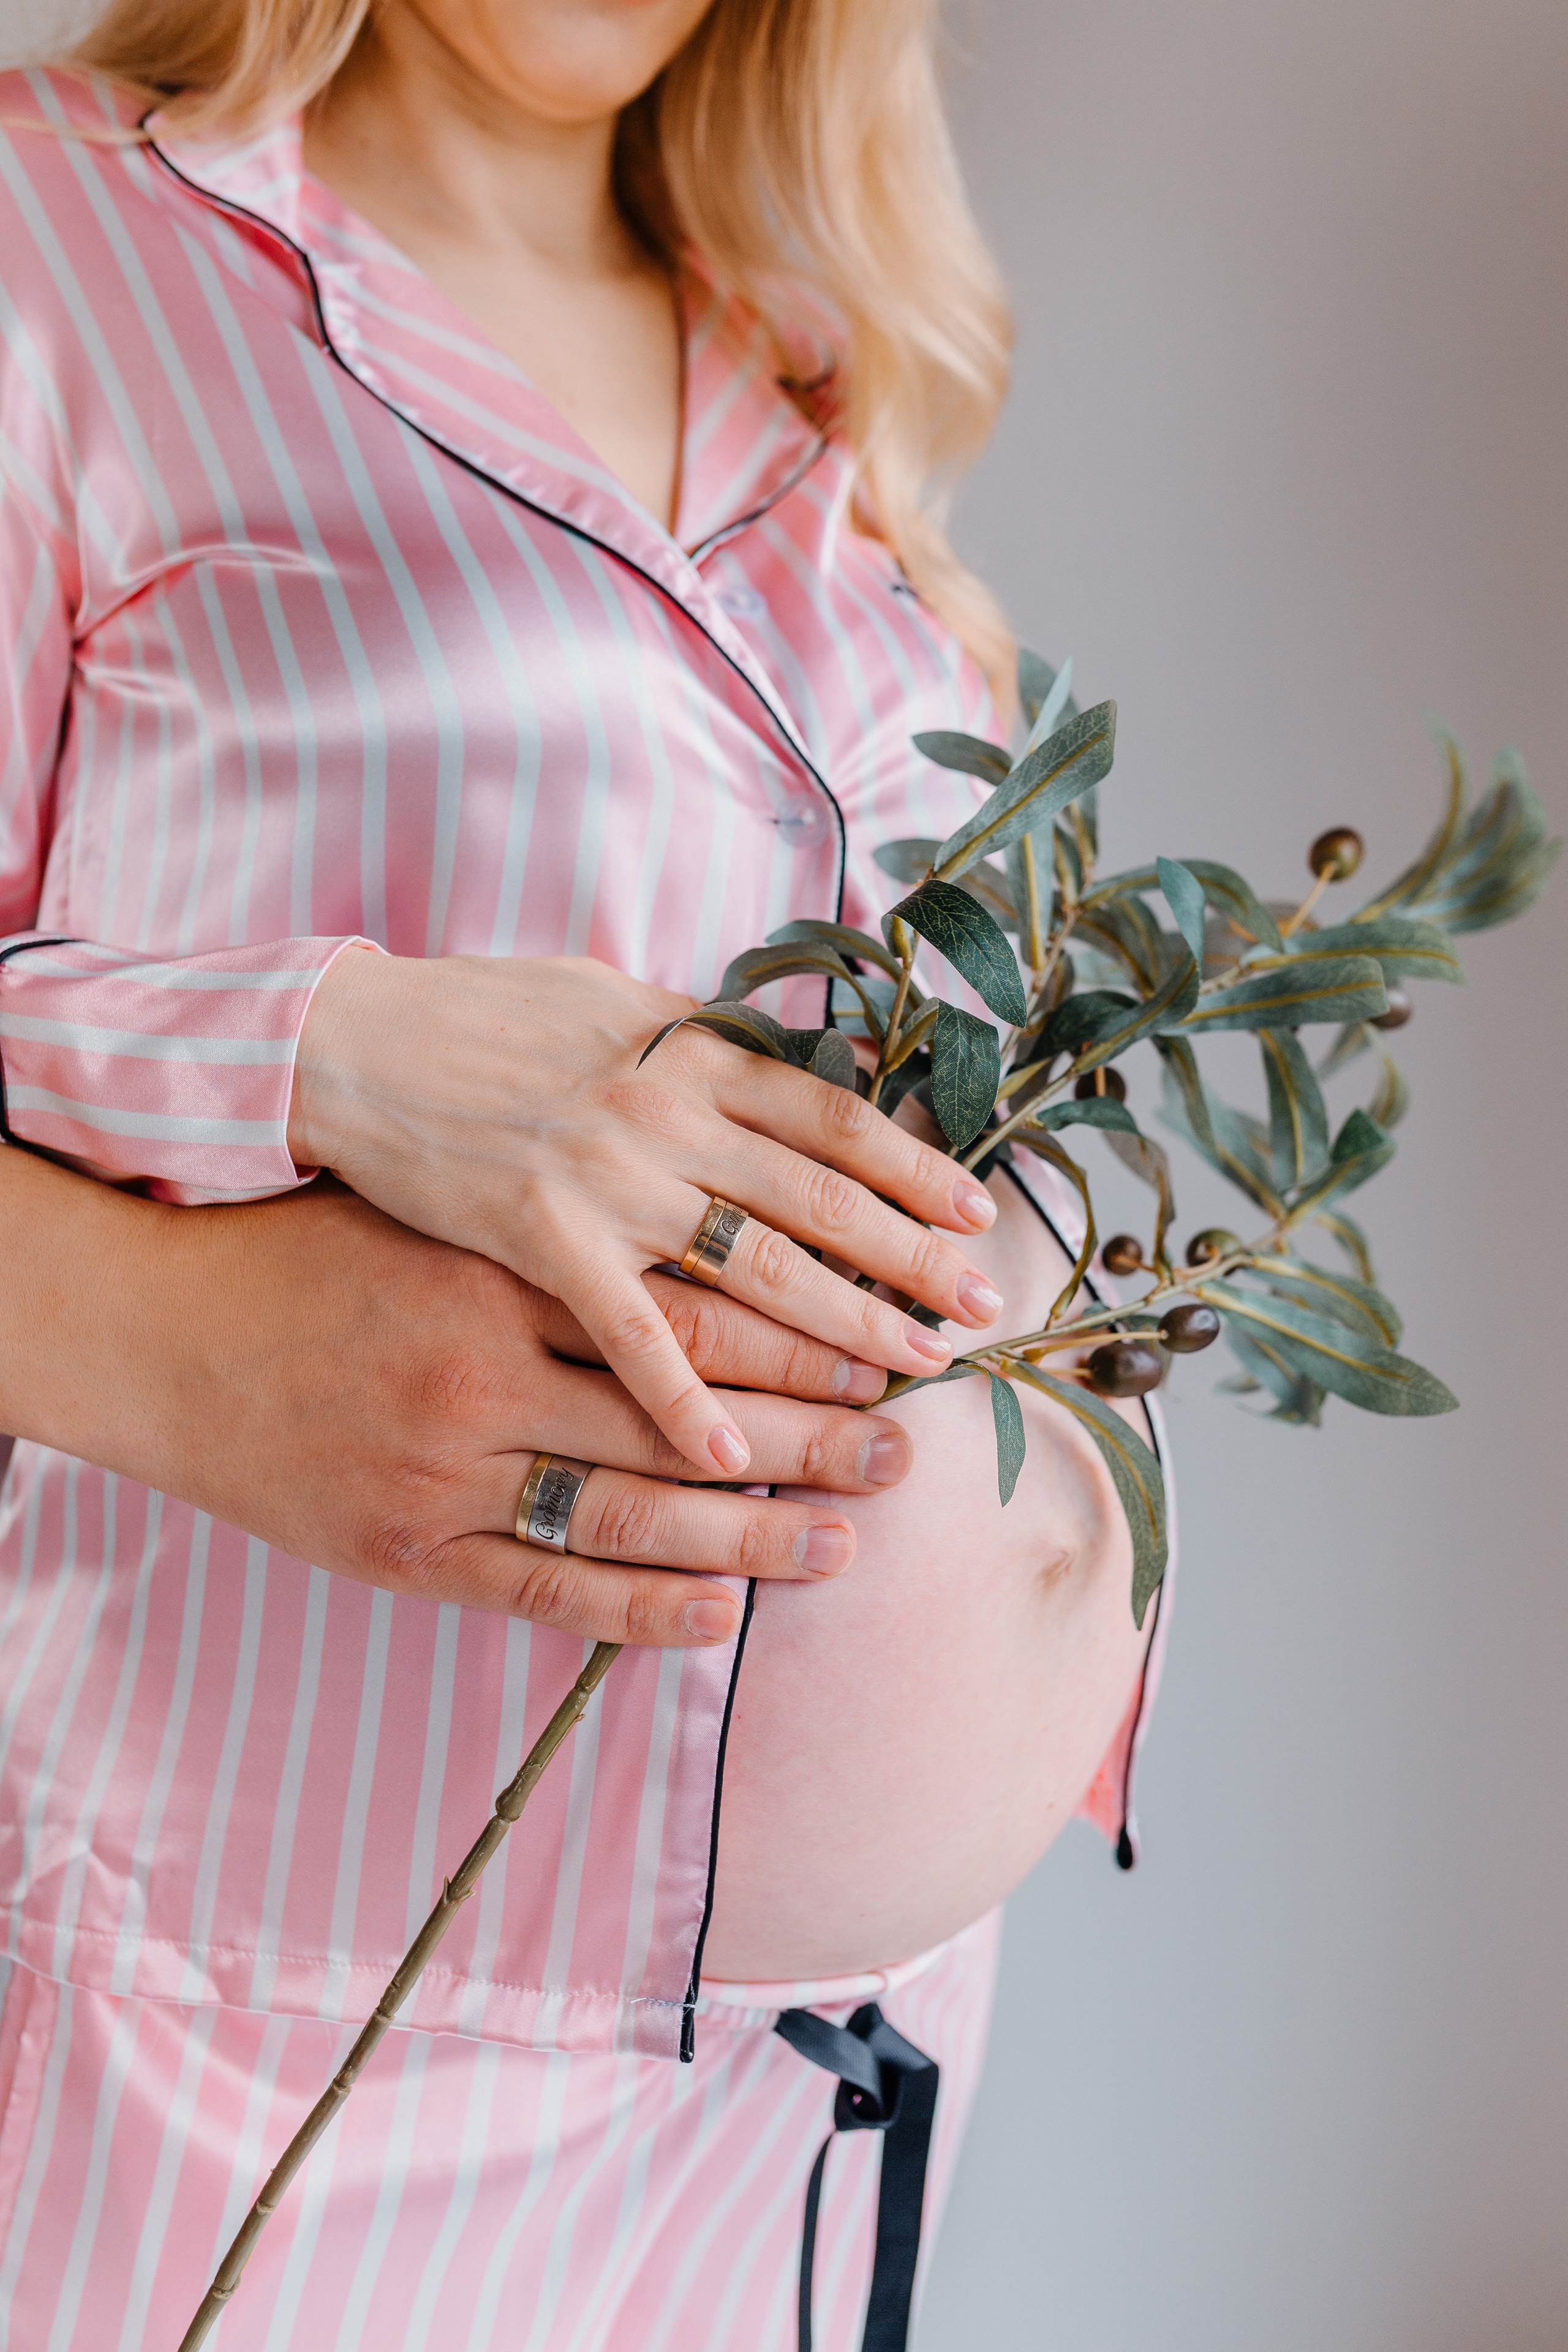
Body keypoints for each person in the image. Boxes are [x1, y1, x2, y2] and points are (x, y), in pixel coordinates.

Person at [0, 4, 1167, 2343]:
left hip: (797, 2104)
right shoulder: (47, 249)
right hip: (253, 2053)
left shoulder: (799, 362)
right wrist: (325, 1060)